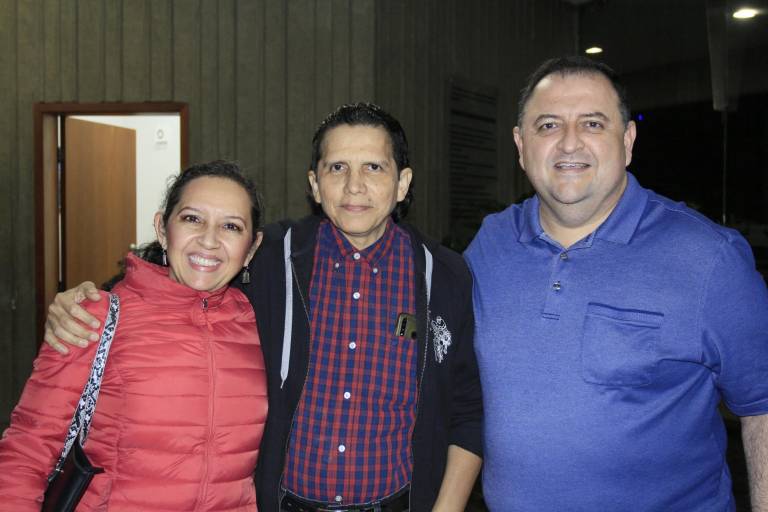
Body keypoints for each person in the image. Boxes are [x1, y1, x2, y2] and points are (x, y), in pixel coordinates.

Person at [42, 103, 483, 512]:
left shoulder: (444, 276)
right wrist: (90, 301)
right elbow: (181, 274)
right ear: (314, 184)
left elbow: (467, 409)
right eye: (337, 167)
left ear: (402, 183)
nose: (354, 185)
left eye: (374, 167)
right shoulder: (267, 256)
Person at [465, 56, 768, 511]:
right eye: (548, 125)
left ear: (627, 141)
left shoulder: (708, 258)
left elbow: (762, 407)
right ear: (520, 145)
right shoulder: (490, 246)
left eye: (592, 123)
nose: (570, 142)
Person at [0, 161, 268, 511]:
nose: (209, 239)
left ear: (251, 248)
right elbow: (28, 449)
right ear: (162, 229)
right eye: (192, 219)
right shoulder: (95, 315)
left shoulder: (261, 323)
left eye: (231, 226)